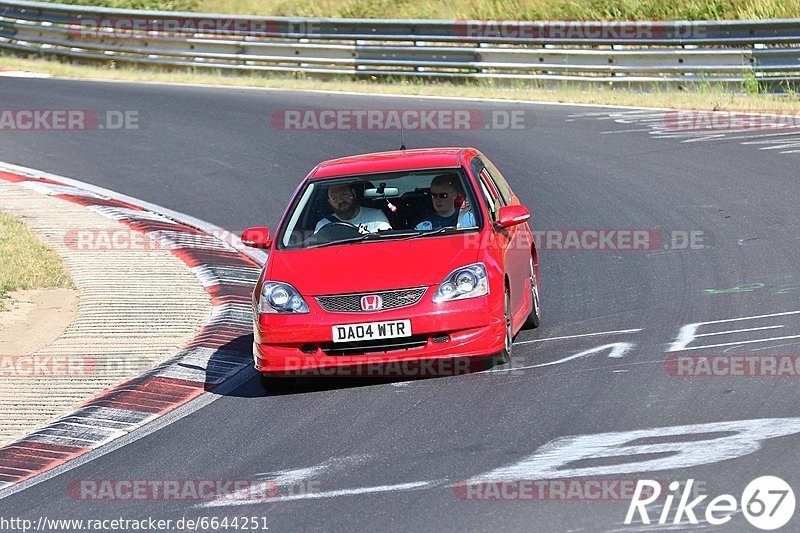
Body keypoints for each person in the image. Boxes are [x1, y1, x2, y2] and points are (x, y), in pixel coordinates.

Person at [314, 182, 392, 234]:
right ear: (330, 202)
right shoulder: (323, 225)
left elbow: (385, 244)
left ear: (353, 193)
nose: (340, 200)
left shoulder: (376, 216)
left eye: (344, 195)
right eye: (334, 198)